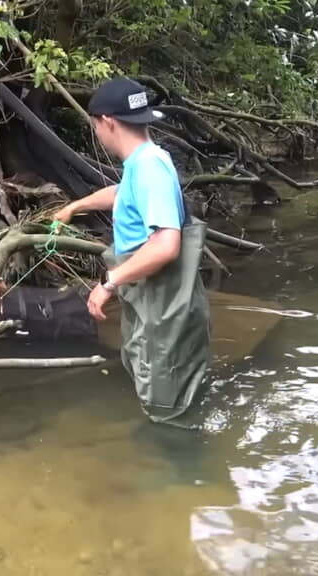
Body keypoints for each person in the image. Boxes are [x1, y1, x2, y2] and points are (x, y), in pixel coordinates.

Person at [53, 77, 211, 424]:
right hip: (155, 305)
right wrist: (75, 207)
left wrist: (108, 282)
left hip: (164, 307)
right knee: (157, 381)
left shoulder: (150, 167)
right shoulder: (144, 162)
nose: (96, 132)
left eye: (95, 125)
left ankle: (179, 453)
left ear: (107, 122)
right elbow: (123, 193)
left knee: (167, 407)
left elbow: (165, 246)